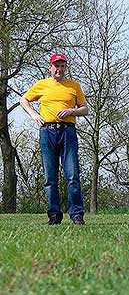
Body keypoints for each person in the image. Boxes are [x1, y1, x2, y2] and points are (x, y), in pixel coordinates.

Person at [20, 53, 88, 225]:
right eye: (56, 66)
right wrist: (34, 114)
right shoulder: (42, 85)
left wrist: (71, 111)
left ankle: (77, 214)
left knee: (72, 175)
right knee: (50, 177)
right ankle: (54, 215)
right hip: (47, 131)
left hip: (68, 132)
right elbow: (24, 100)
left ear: (65, 68)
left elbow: (85, 109)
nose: (59, 69)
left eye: (62, 66)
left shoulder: (74, 86)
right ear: (50, 67)